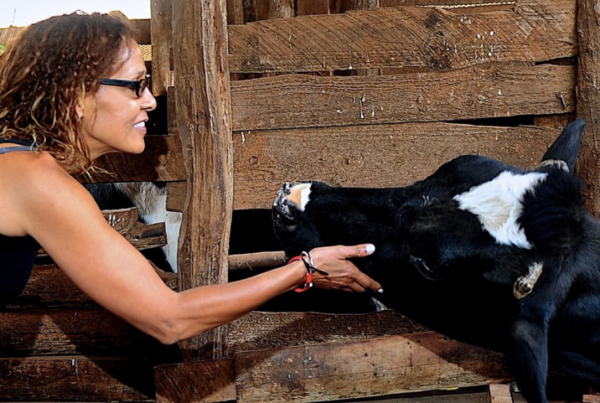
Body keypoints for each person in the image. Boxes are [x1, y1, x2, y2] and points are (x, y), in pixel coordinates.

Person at [0, 12, 382, 344]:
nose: (150, 100)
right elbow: (170, 319)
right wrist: (306, 267)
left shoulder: (18, 163)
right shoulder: (36, 181)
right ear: (76, 96)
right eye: (136, 85)